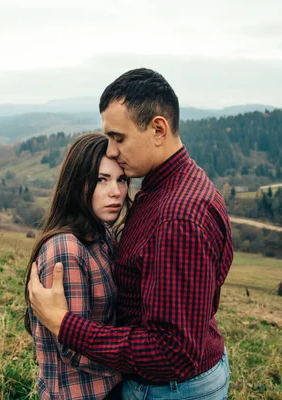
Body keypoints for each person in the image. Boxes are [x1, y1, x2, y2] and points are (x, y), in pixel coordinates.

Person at [28, 68, 234, 399]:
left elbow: (172, 351)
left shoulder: (177, 216)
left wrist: (65, 325)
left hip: (171, 390)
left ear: (158, 129)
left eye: (118, 138)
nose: (112, 150)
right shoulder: (170, 186)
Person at [24, 133, 131, 399]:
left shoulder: (100, 234)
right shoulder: (67, 250)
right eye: (101, 180)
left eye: (122, 179)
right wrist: (143, 360)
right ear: (77, 183)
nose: (116, 191)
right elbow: (74, 347)